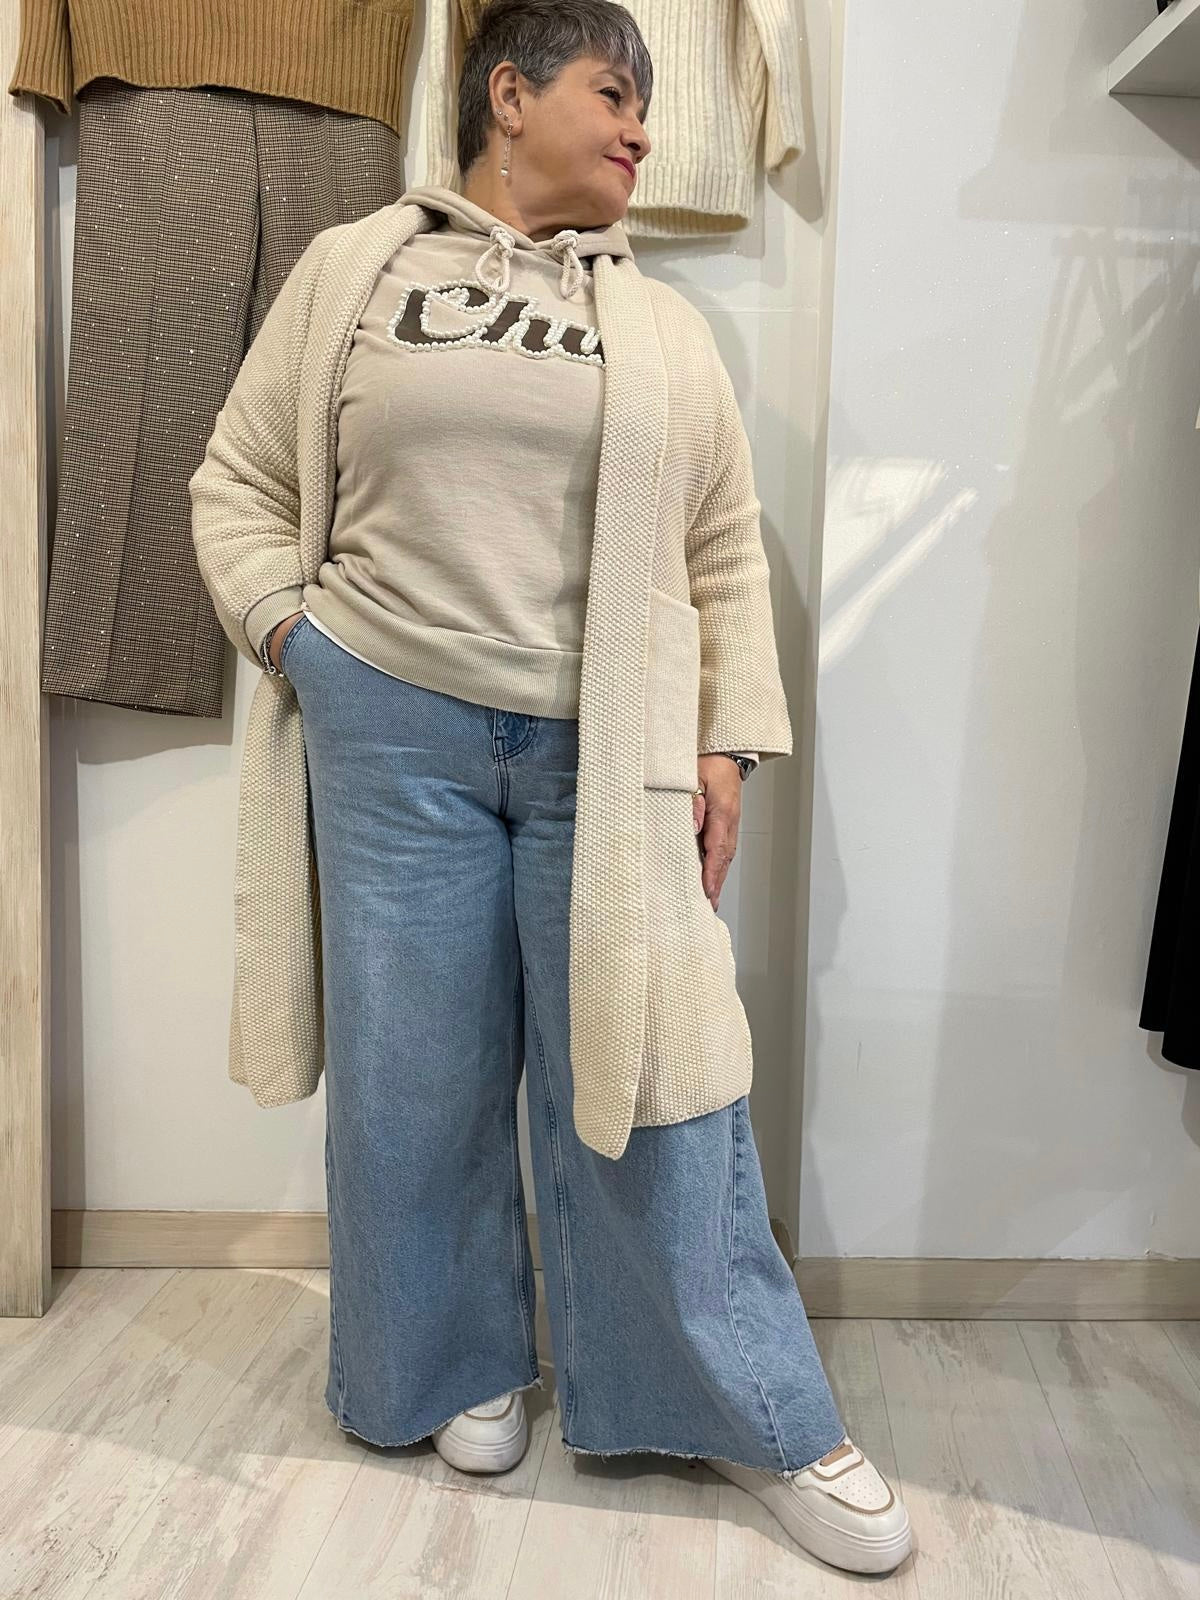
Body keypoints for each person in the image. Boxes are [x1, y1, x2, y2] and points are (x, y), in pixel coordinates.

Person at [194, 0, 911, 1576]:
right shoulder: (355, 269)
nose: (644, 126)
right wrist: (299, 641)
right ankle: (450, 1366)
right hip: (394, 731)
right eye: (615, 90)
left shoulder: (662, 328)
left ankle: (749, 1411)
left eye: (648, 100)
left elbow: (721, 552)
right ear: (507, 94)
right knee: (415, 1080)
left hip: (608, 746)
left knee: (656, 1078)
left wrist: (723, 742)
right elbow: (236, 478)